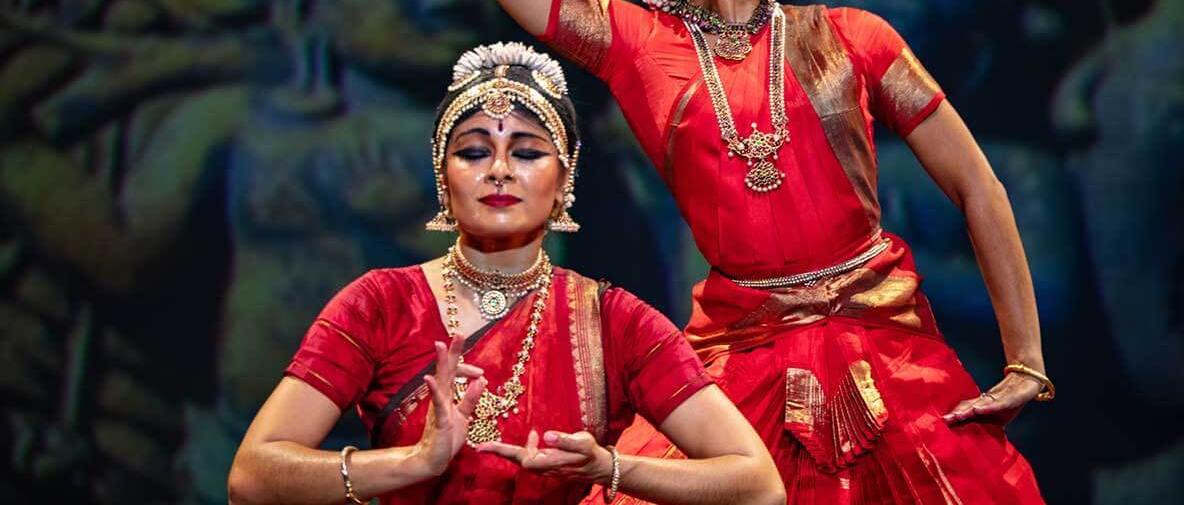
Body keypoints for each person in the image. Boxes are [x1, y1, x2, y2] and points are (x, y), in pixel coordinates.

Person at [281, 0, 1052, 501]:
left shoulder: (856, 38)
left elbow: (977, 186)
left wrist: (1025, 356)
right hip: (738, 365)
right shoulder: (634, 44)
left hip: (888, 359)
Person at [227, 41, 785, 505]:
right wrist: (414, 462)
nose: (498, 170)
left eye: (526, 152)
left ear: (564, 181)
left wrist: (608, 468)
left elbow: (756, 485)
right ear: (444, 180)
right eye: (472, 152)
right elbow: (252, 478)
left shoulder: (614, 321)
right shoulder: (380, 303)